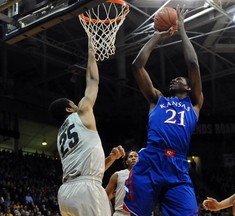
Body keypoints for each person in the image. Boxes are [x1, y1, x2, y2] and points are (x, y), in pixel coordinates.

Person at [123, 5, 204, 216]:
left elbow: (193, 64)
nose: (174, 79)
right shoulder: (157, 99)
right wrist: (156, 36)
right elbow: (137, 66)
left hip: (178, 164)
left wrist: (182, 29)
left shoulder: (194, 103)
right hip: (152, 159)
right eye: (173, 78)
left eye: (179, 79)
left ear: (188, 87)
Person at [48, 37, 125, 216]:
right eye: (73, 103)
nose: (78, 104)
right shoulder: (81, 114)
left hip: (66, 193)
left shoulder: (61, 136)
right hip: (86, 191)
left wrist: (111, 159)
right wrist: (91, 54)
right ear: (69, 109)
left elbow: (86, 170)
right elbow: (93, 81)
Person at [106, 150, 139, 215]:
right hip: (121, 213)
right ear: (126, 162)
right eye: (131, 156)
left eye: (136, 156)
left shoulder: (145, 177)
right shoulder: (118, 175)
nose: (133, 158)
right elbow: (105, 196)